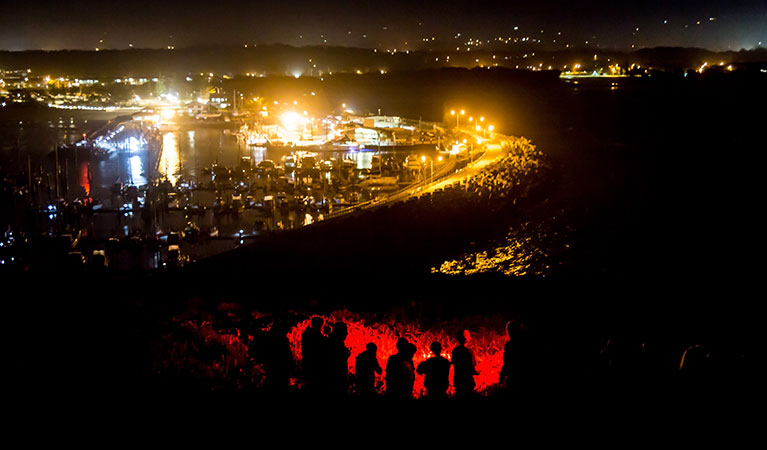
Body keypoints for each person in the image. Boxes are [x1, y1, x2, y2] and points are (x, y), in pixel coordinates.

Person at [300, 316, 325, 392]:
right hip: (315, 365)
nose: (321, 327)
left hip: (307, 363)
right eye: (321, 325)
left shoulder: (307, 334)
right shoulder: (316, 336)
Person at [451, 330, 479, 398]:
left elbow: (453, 363)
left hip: (457, 380)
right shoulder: (469, 352)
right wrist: (478, 373)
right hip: (467, 382)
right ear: (467, 338)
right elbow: (472, 369)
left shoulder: (455, 350)